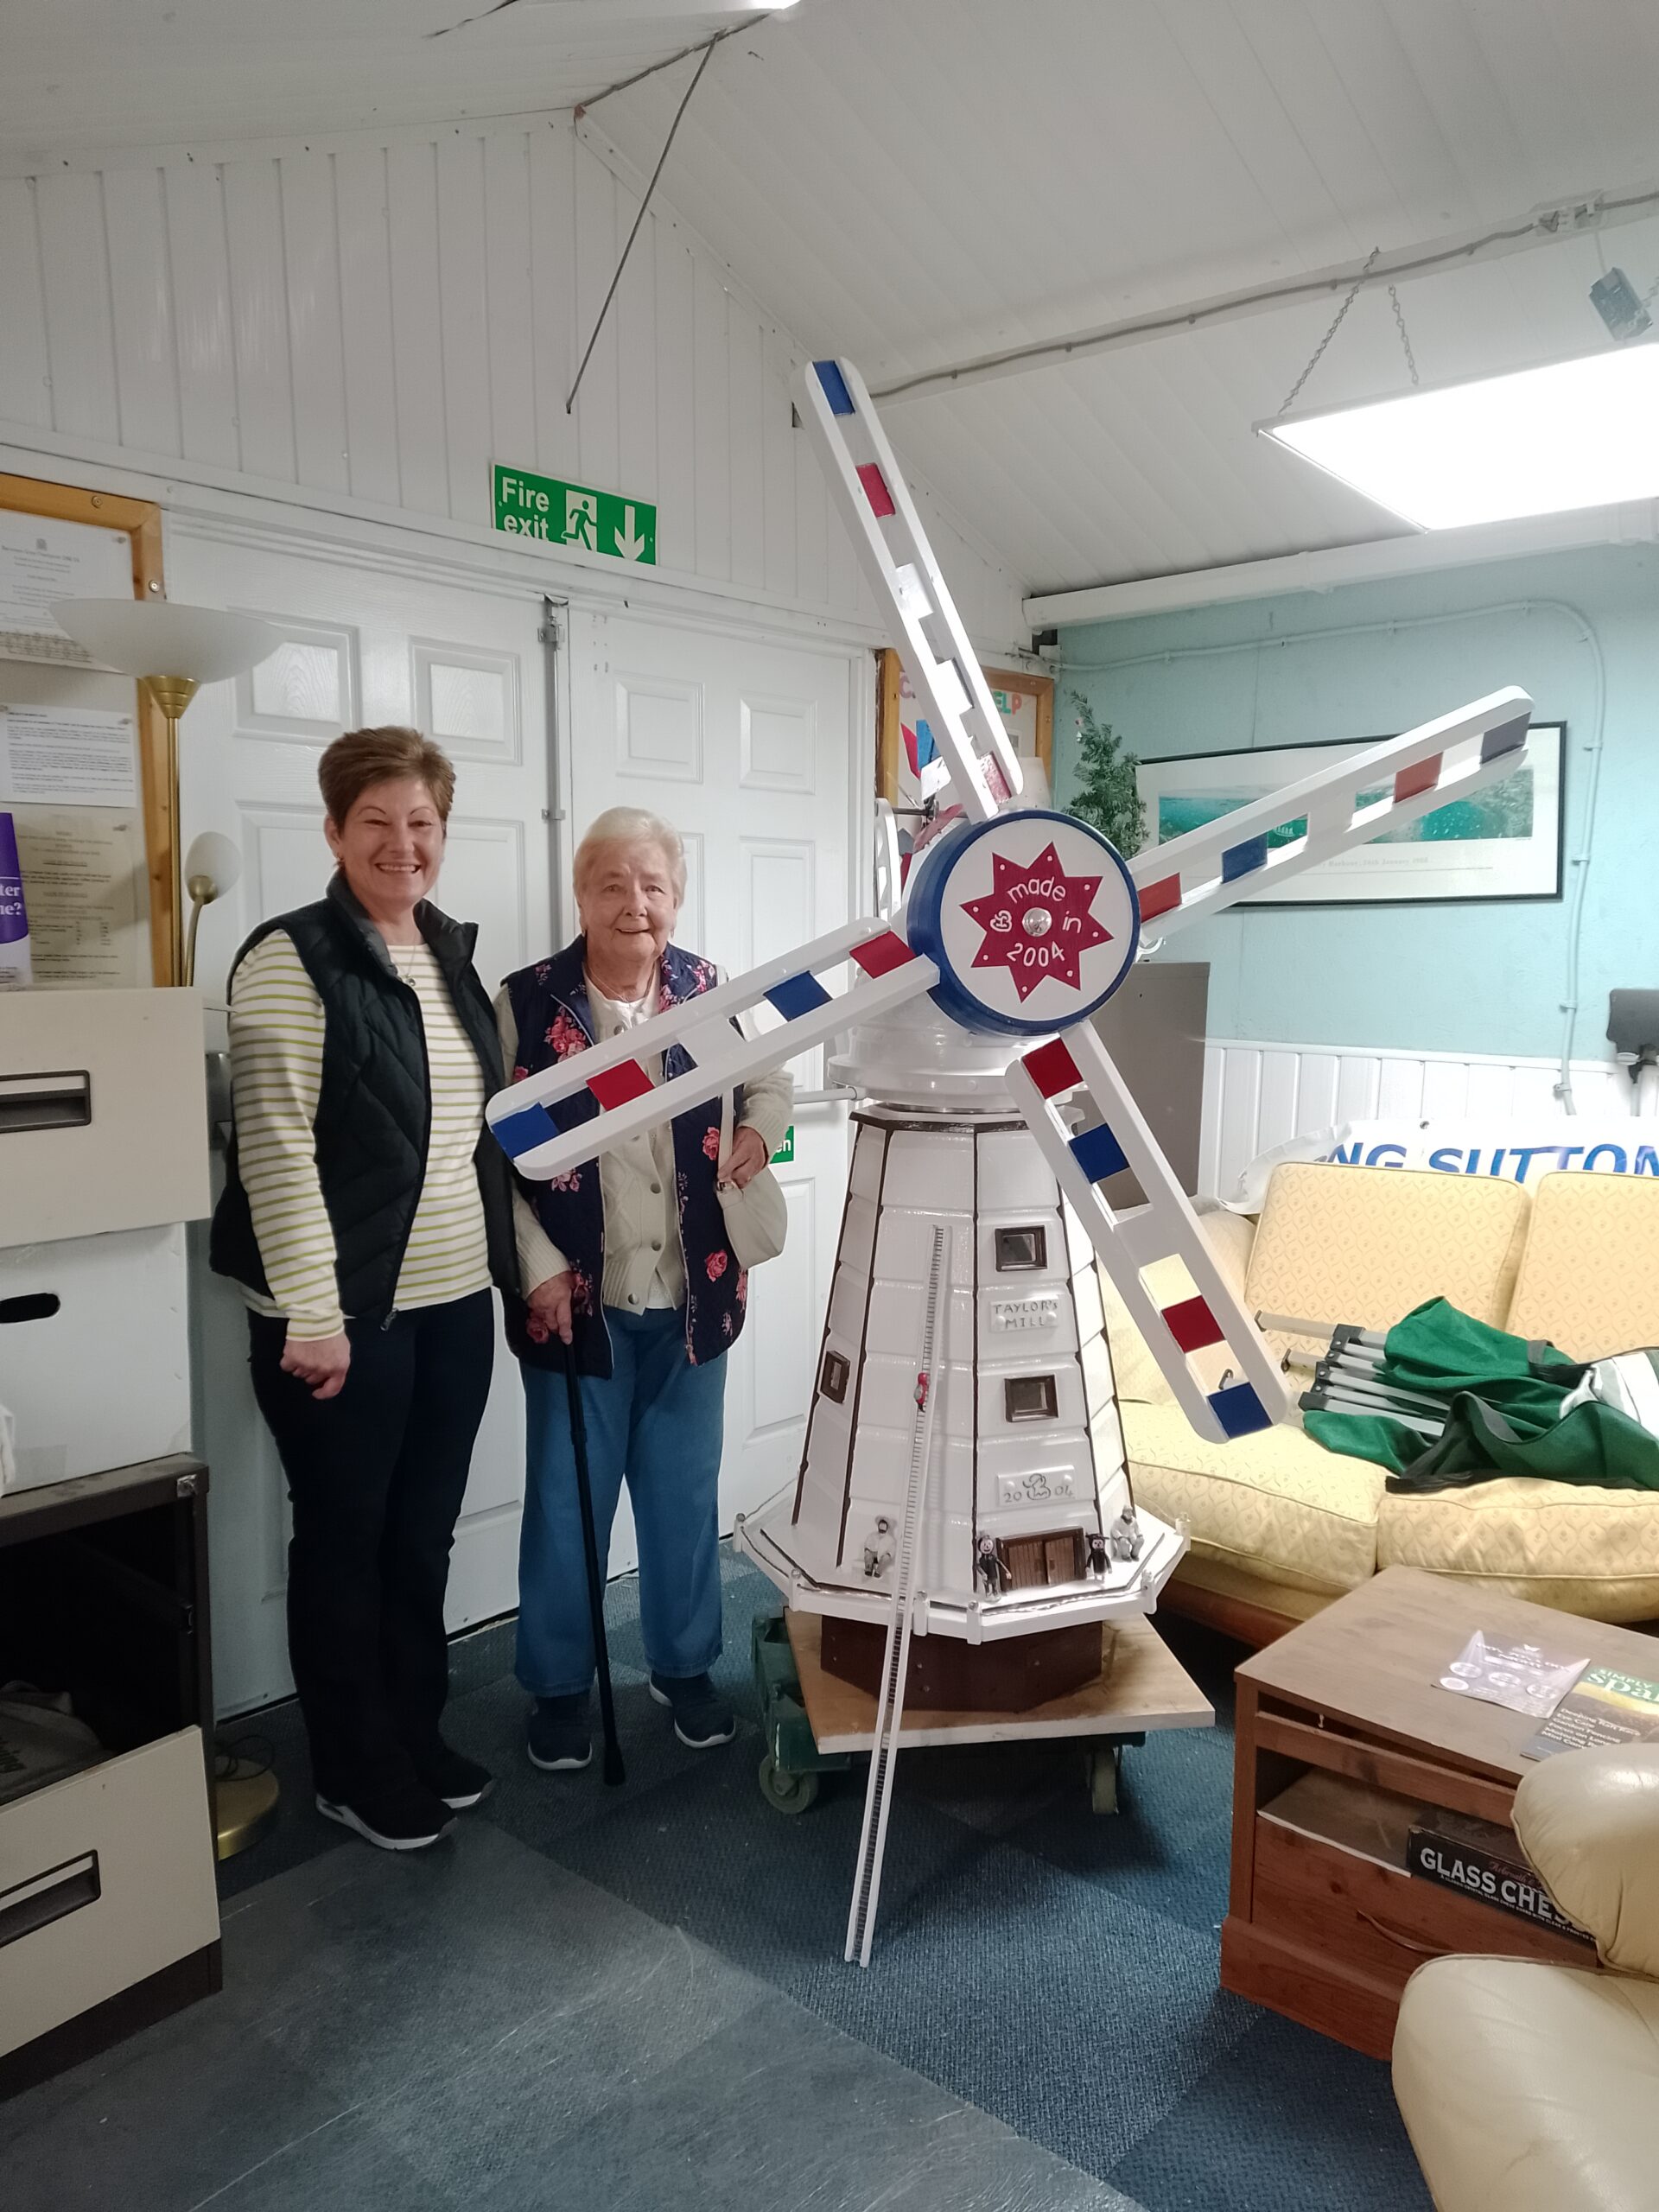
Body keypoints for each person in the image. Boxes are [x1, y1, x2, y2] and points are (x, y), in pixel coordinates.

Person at [211, 726, 519, 1852]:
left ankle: (411, 1733)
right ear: (336, 830)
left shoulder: (446, 952)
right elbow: (276, 1146)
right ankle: (352, 1765)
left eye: (422, 822)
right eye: (377, 822)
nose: (403, 843)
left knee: (422, 1535)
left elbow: (471, 1132)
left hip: (452, 1303)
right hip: (340, 1319)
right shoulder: (288, 958)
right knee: (347, 1543)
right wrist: (313, 1311)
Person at [499, 806, 791, 1772]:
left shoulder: (709, 991)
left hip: (693, 1297)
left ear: (677, 898)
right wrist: (537, 1267)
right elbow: (490, 1151)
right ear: (581, 895)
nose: (635, 903)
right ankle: (557, 1687)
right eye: (613, 884)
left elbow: (771, 1083)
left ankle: (684, 1666)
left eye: (653, 885)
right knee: (567, 1506)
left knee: (681, 1498)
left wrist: (760, 1132)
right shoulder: (527, 1003)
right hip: (575, 1301)